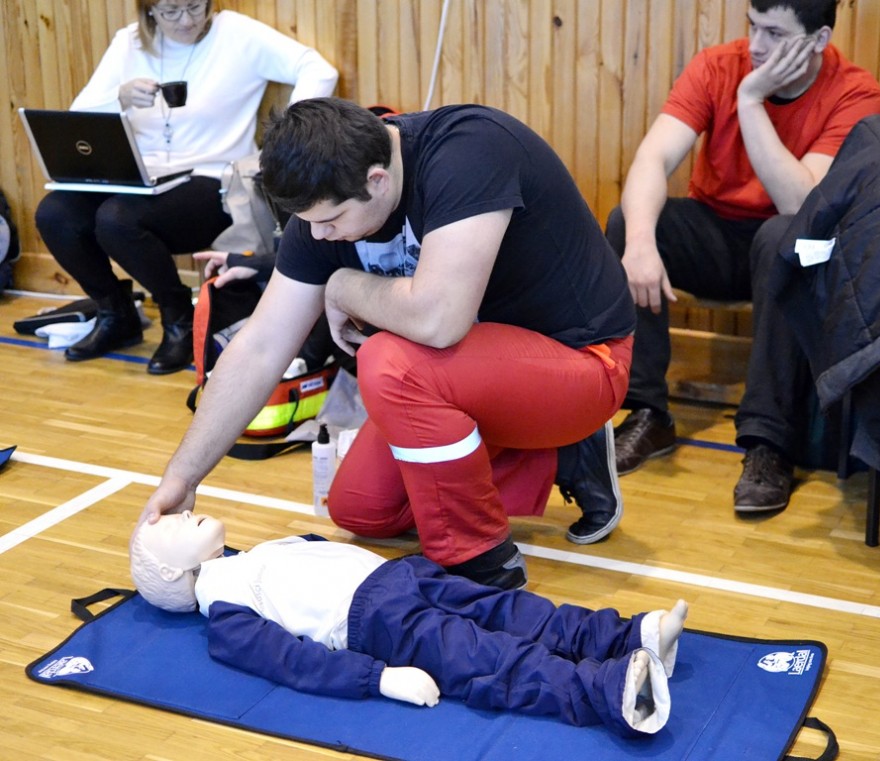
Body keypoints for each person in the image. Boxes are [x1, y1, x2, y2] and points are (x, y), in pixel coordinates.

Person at [140, 98, 637, 589]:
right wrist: (182, 478)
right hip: (478, 376)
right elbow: (260, 347)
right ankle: (561, 456)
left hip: (583, 361)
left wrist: (343, 285)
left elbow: (438, 321)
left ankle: (481, 560)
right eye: (309, 223)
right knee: (362, 510)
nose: (319, 235)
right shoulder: (327, 200)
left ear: (377, 180)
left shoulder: (470, 151)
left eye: (331, 221)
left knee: (391, 362)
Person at [607, 0, 880, 513]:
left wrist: (752, 100)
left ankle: (768, 443)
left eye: (775, 34)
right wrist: (640, 242)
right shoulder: (718, 65)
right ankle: (648, 413)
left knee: (782, 236)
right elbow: (654, 156)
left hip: (790, 248)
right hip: (717, 235)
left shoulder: (855, 93)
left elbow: (799, 204)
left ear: (818, 40)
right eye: (753, 27)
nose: (757, 46)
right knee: (629, 221)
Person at [130, 512, 689, 738]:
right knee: (486, 658)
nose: (185, 512)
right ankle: (609, 692)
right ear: (170, 571)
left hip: (401, 577)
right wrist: (378, 677)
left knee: (514, 612)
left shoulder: (252, 554)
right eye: (173, 526)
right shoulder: (224, 612)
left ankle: (627, 636)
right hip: (376, 622)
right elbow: (294, 663)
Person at [34, 0, 338, 374]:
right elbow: (78, 117)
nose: (187, 20)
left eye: (196, 7)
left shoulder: (236, 33)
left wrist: (288, 137)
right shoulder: (129, 43)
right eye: (171, 11)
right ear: (150, 11)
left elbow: (318, 68)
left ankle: (178, 317)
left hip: (214, 178)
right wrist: (120, 98)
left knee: (116, 219)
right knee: (55, 214)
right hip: (141, 176)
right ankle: (115, 312)